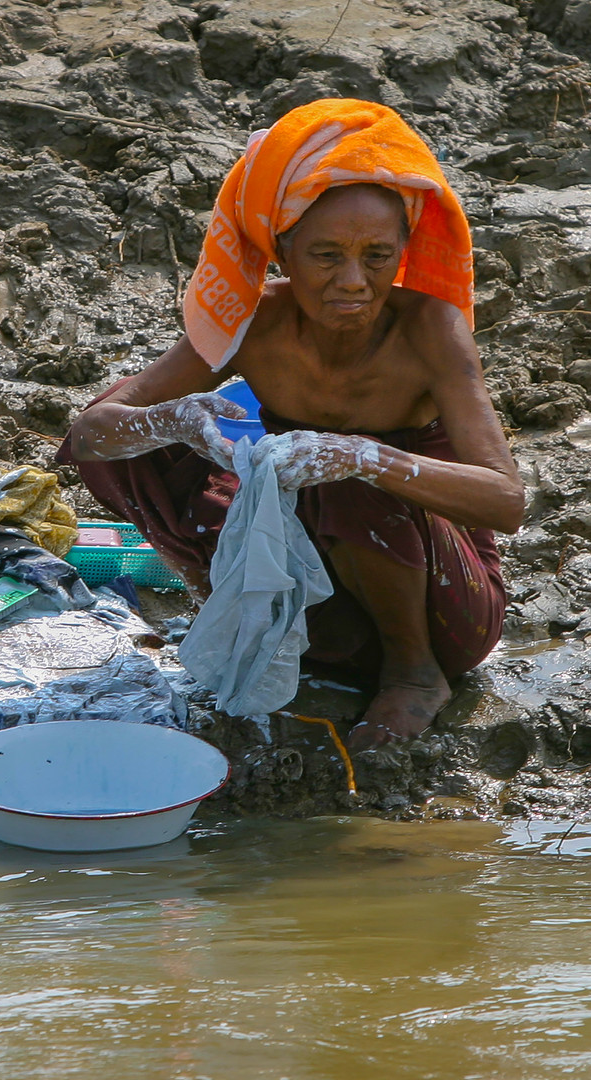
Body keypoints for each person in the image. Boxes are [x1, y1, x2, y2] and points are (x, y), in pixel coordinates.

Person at [60, 98, 523, 750]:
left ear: (406, 251)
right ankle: (229, 607)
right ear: (281, 251)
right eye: (327, 256)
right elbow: (89, 436)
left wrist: (365, 458)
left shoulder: (429, 328)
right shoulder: (254, 319)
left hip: (444, 615)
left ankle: (412, 674)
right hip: (316, 618)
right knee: (138, 439)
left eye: (378, 257)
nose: (355, 282)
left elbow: (505, 501)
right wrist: (179, 418)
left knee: (346, 471)